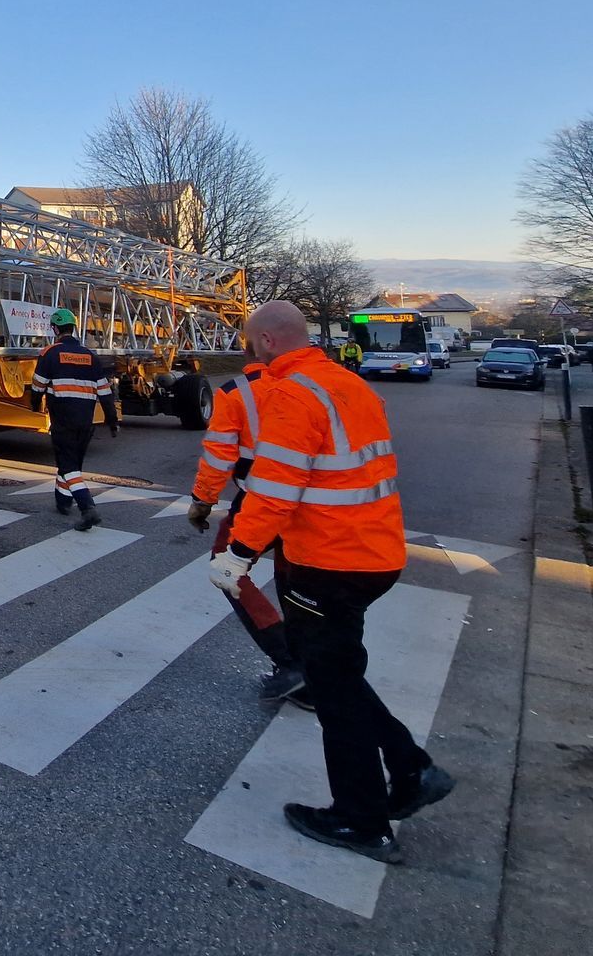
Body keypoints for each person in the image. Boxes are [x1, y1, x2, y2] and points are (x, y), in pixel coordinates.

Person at [208, 300, 453, 864]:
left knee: (333, 690)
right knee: (337, 672)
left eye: (252, 343)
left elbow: (274, 488)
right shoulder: (350, 384)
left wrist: (239, 555)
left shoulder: (293, 395)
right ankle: (412, 768)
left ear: (267, 341)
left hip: (325, 561)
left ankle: (362, 820)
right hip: (374, 552)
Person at [186, 359, 305, 703]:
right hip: (316, 501)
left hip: (261, 497)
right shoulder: (326, 385)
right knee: (293, 576)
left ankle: (288, 661)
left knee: (228, 569)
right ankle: (311, 669)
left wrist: (202, 502)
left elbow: (220, 456)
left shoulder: (237, 392)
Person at [29, 309, 103, 531]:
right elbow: (105, 391)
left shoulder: (49, 353)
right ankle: (63, 500)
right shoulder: (90, 355)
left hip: (63, 419)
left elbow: (37, 386)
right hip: (86, 421)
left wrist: (34, 405)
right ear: (74, 327)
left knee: (68, 464)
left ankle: (87, 506)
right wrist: (111, 419)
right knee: (69, 463)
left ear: (54, 329)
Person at [94, 355, 122, 438]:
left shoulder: (55, 353)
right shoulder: (91, 361)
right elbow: (107, 402)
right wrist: (113, 424)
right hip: (83, 414)